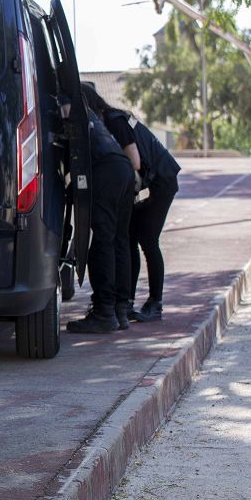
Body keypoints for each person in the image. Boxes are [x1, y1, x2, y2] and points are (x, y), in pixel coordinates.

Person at [81, 83, 181, 322]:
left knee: (148, 241)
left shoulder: (114, 121)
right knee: (129, 239)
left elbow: (134, 161)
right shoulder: (115, 118)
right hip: (152, 183)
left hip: (162, 183)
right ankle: (126, 302)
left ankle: (154, 302)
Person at [67, 92, 136, 334]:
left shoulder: (69, 107)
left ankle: (104, 311)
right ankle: (120, 309)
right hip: (122, 170)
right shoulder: (94, 118)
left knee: (102, 243)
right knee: (120, 240)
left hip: (105, 171)